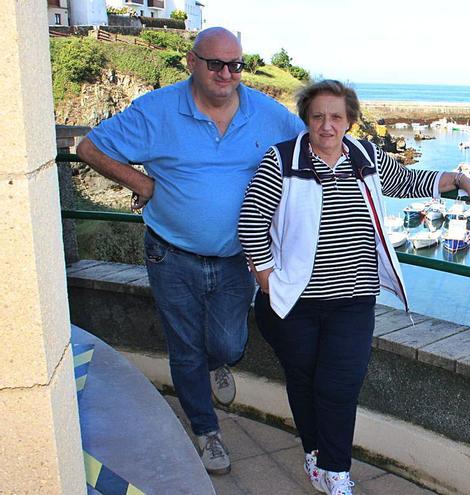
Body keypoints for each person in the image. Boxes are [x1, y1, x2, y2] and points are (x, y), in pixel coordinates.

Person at [76, 27, 306, 475]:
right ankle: (207, 432)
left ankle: (218, 362)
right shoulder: (157, 111)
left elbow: (315, 148)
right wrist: (139, 181)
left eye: (236, 65)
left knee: (228, 341)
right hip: (171, 254)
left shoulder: (268, 114)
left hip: (239, 257)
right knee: (183, 348)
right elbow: (89, 147)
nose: (226, 74)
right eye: (215, 64)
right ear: (191, 62)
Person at [238, 79, 470, 495]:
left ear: (350, 120)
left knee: (339, 384)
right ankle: (314, 453)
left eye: (336, 116)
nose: (327, 125)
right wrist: (265, 276)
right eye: (318, 116)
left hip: (354, 299)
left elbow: (408, 182)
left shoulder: (365, 156)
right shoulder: (281, 160)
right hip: (296, 300)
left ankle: (336, 472)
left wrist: (457, 179)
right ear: (307, 120)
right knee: (304, 379)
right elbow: (251, 221)